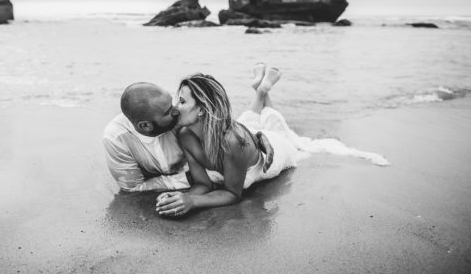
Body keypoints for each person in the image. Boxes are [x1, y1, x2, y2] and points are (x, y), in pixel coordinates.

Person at [155, 64, 389, 217]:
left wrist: (194, 203)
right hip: (242, 136)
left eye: (182, 102)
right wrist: (181, 199)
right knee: (251, 121)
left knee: (279, 128)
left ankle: (263, 91)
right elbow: (203, 184)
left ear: (203, 110)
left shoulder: (231, 142)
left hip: (274, 154)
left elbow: (232, 194)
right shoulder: (186, 135)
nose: (176, 107)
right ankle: (260, 90)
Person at [102, 77, 274, 192]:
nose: (176, 109)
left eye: (176, 102)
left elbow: (217, 120)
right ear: (145, 125)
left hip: (239, 158)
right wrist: (192, 183)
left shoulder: (177, 116)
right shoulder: (116, 139)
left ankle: (261, 94)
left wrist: (254, 137)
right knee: (256, 117)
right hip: (200, 177)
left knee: (264, 121)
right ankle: (261, 93)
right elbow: (133, 188)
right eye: (168, 111)